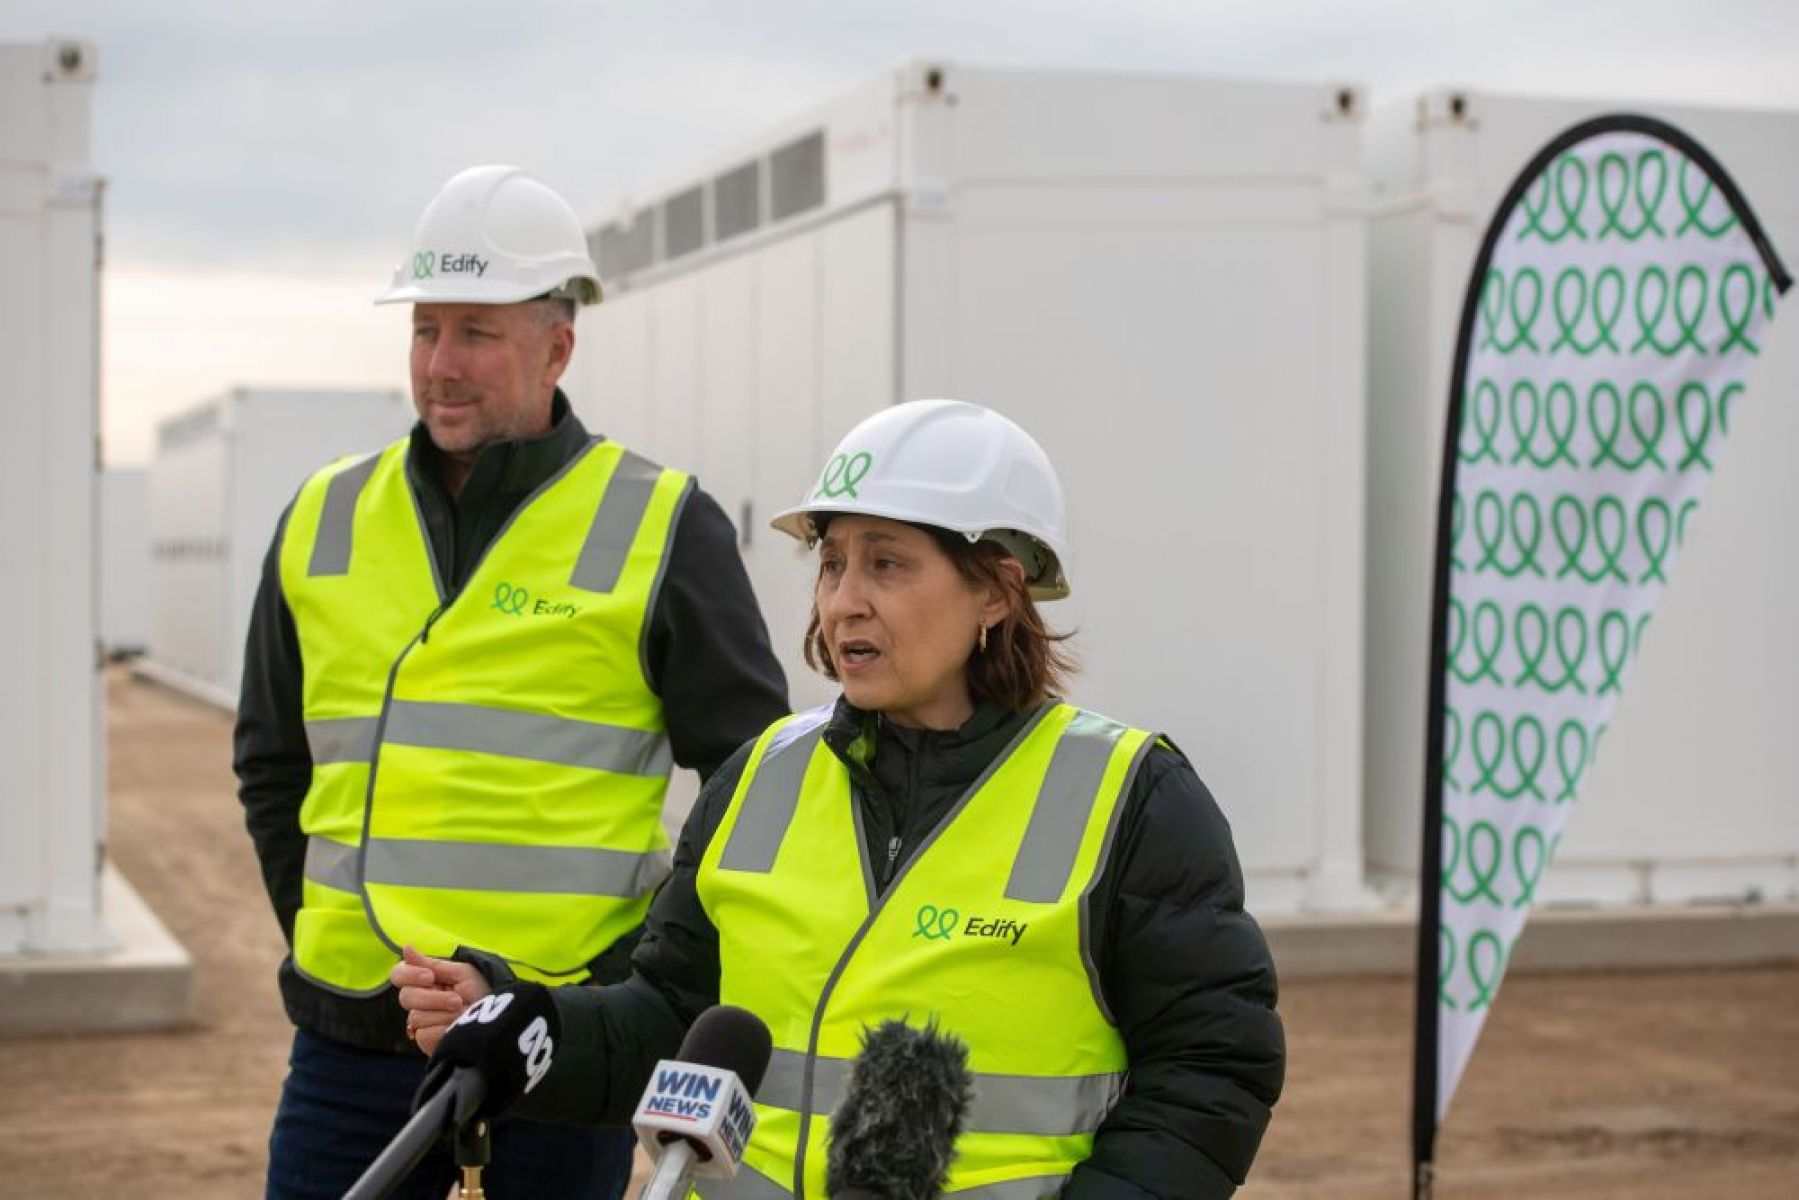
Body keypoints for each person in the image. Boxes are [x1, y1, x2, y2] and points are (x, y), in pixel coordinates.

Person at [399, 399, 1285, 1198]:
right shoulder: (758, 778)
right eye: (831, 564)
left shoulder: (1132, 797)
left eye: (887, 564)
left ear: (994, 589)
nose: (842, 603)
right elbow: (670, 1017)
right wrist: (524, 1019)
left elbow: (1209, 1075)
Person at [234, 164, 789, 1200]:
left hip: (555, 1041)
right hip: (350, 1038)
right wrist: (340, 944)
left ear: (557, 345)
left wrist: (635, 980)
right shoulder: (324, 516)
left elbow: (755, 792)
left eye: (476, 333)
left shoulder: (659, 523)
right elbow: (270, 763)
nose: (440, 364)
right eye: (424, 328)